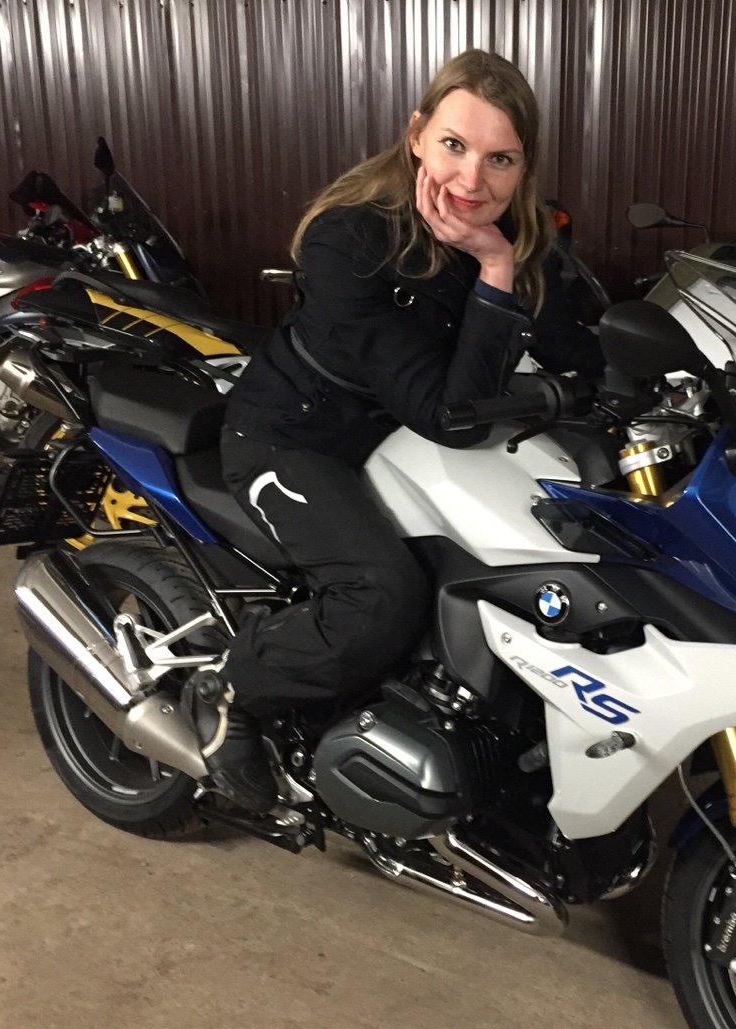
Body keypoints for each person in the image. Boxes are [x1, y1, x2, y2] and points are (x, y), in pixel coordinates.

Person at [196, 49, 604, 813]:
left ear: (524, 166)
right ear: (416, 136)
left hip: (396, 444)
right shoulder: (349, 241)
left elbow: (586, 354)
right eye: (454, 145)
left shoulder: (525, 235)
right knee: (381, 596)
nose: (472, 180)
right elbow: (451, 414)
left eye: (500, 158)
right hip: (294, 438)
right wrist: (492, 269)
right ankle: (231, 690)